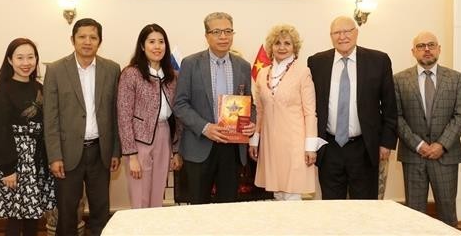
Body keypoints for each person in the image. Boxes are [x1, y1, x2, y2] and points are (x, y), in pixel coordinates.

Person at [43, 18, 121, 235]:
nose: (87, 41)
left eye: (93, 37)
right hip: (67, 154)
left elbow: (116, 113)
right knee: (67, 212)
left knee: (100, 211)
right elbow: (50, 117)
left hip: (100, 152)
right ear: (72, 39)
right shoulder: (56, 70)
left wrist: (115, 150)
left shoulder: (112, 69)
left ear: (100, 41)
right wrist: (54, 156)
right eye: (82, 37)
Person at [307, 16, 397, 199]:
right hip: (329, 147)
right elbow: (309, 105)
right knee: (332, 207)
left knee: (365, 208)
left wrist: (386, 142)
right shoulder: (316, 62)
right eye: (337, 33)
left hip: (364, 147)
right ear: (331, 36)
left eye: (347, 31)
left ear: (356, 32)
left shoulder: (378, 61)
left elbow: (389, 106)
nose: (342, 37)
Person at [172, 12, 256, 204]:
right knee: (198, 208)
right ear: (206, 36)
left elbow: (250, 103)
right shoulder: (191, 64)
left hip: (232, 148)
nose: (223, 36)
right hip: (200, 146)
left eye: (228, 31)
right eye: (217, 32)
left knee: (228, 208)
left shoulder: (243, 66)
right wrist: (205, 128)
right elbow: (180, 104)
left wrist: (252, 121)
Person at [394, 31, 461, 225]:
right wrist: (418, 145)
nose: (426, 50)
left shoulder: (456, 78)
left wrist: (441, 145)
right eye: (421, 46)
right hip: (413, 156)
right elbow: (396, 117)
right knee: (414, 214)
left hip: (446, 155)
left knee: (447, 213)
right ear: (413, 51)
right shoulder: (399, 79)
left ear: (439, 49)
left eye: (431, 45)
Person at [0, 38, 56, 235]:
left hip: (37, 158)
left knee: (33, 215)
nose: (26, 62)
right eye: (20, 57)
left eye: (30, 57)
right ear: (10, 60)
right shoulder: (3, 89)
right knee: (16, 215)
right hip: (15, 159)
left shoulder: (39, 87)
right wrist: (8, 169)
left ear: (36, 59)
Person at [248, 24, 323, 200]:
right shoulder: (262, 73)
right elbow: (259, 110)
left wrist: (310, 147)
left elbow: (310, 112)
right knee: (277, 194)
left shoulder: (303, 72)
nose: (282, 47)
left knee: (292, 195)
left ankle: (294, 228)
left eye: (287, 43)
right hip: (270, 142)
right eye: (277, 43)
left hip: (295, 143)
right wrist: (254, 140)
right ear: (271, 46)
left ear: (294, 47)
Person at [117, 24, 183, 208]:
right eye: (152, 42)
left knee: (158, 197)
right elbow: (123, 115)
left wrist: (176, 150)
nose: (157, 47)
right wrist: (132, 156)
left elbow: (178, 117)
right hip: (140, 141)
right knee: (140, 198)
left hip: (165, 138)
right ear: (142, 46)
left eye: (161, 42)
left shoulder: (174, 76)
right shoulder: (131, 74)